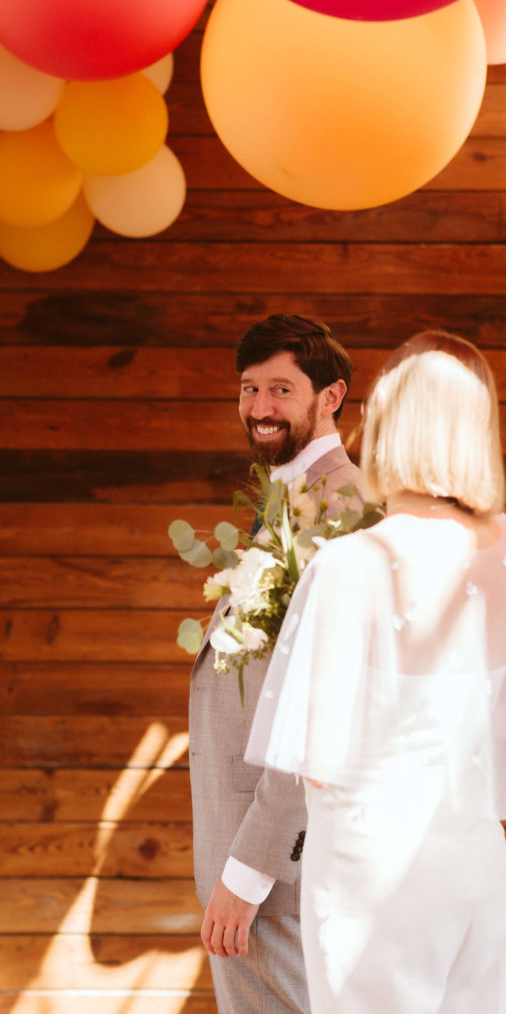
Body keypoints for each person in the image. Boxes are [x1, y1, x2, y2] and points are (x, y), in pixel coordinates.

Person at [244, 330, 506, 1014]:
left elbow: (317, 757)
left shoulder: (349, 565)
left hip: (370, 867)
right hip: (470, 854)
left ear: (391, 426)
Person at [189, 314, 363, 1014]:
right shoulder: (284, 499)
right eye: (248, 388)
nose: (259, 408)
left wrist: (250, 867)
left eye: (281, 389)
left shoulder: (339, 511)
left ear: (331, 396)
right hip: (249, 860)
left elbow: (323, 709)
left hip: (278, 872)